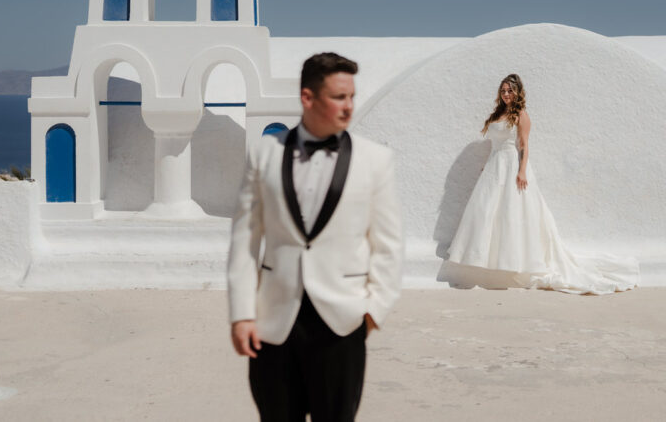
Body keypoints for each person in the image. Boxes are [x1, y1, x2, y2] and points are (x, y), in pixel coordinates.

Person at [227, 52, 403, 421]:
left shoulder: (375, 159)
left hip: (342, 323)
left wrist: (373, 311)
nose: (349, 106)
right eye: (339, 97)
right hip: (274, 324)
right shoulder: (263, 154)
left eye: (351, 96)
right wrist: (242, 314)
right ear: (307, 97)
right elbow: (245, 241)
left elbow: (388, 245)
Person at [445, 73, 638, 294]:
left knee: (511, 211)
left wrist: (522, 171)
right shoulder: (498, 114)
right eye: (503, 90)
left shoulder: (521, 115)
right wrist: (487, 165)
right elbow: (495, 144)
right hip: (494, 167)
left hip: (512, 165)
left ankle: (513, 263)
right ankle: (488, 263)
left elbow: (524, 145)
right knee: (487, 211)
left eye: (510, 91)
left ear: (517, 92)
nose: (506, 94)